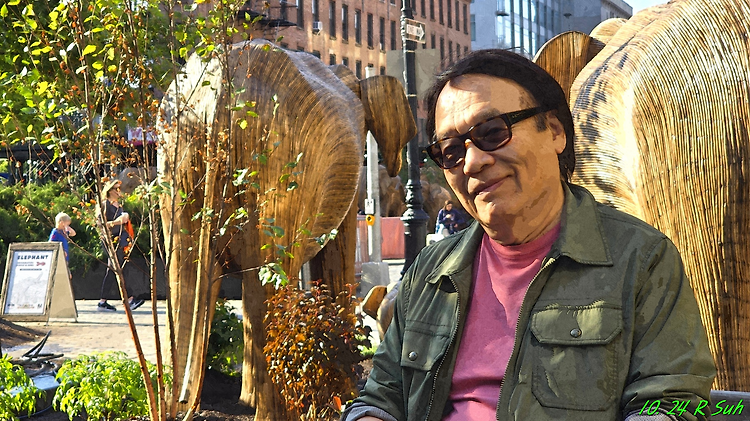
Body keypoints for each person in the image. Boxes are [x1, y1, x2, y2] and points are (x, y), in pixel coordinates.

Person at [342, 49, 716, 421]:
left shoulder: (642, 260)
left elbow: (671, 403)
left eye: (492, 132)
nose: (472, 162)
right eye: (451, 151)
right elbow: (382, 396)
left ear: (555, 131)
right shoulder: (429, 272)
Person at [98, 179, 144, 312]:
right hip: (110, 240)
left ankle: (104, 301)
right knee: (118, 269)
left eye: (120, 188)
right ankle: (128, 299)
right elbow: (101, 224)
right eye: (116, 189)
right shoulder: (105, 205)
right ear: (110, 191)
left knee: (115, 269)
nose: (119, 191)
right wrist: (117, 222)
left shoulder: (119, 205)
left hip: (120, 240)